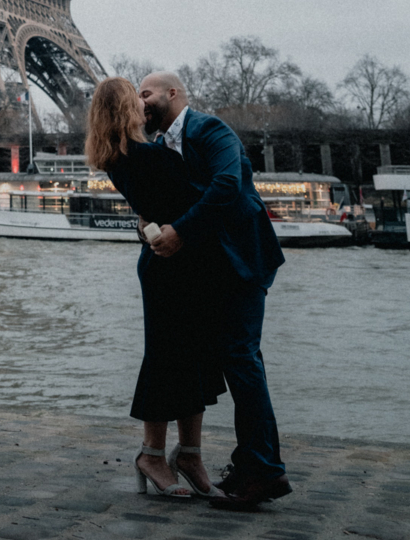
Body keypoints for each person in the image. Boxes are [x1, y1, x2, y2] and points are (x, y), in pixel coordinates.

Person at [136, 70, 291, 510]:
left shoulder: (209, 128)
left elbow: (228, 184)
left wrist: (180, 231)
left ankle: (262, 470)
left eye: (146, 92)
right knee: (227, 360)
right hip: (212, 272)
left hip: (241, 264)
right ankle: (247, 465)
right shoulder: (159, 148)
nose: (141, 101)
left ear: (173, 93)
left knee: (241, 359)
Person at [86, 77, 225, 500]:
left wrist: (148, 229)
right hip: (172, 266)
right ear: (128, 108)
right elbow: (197, 199)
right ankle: (155, 454)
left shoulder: (120, 158)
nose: (145, 104)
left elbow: (154, 210)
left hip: (171, 260)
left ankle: (186, 455)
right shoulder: (150, 157)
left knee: (187, 357)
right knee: (171, 358)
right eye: (138, 98)